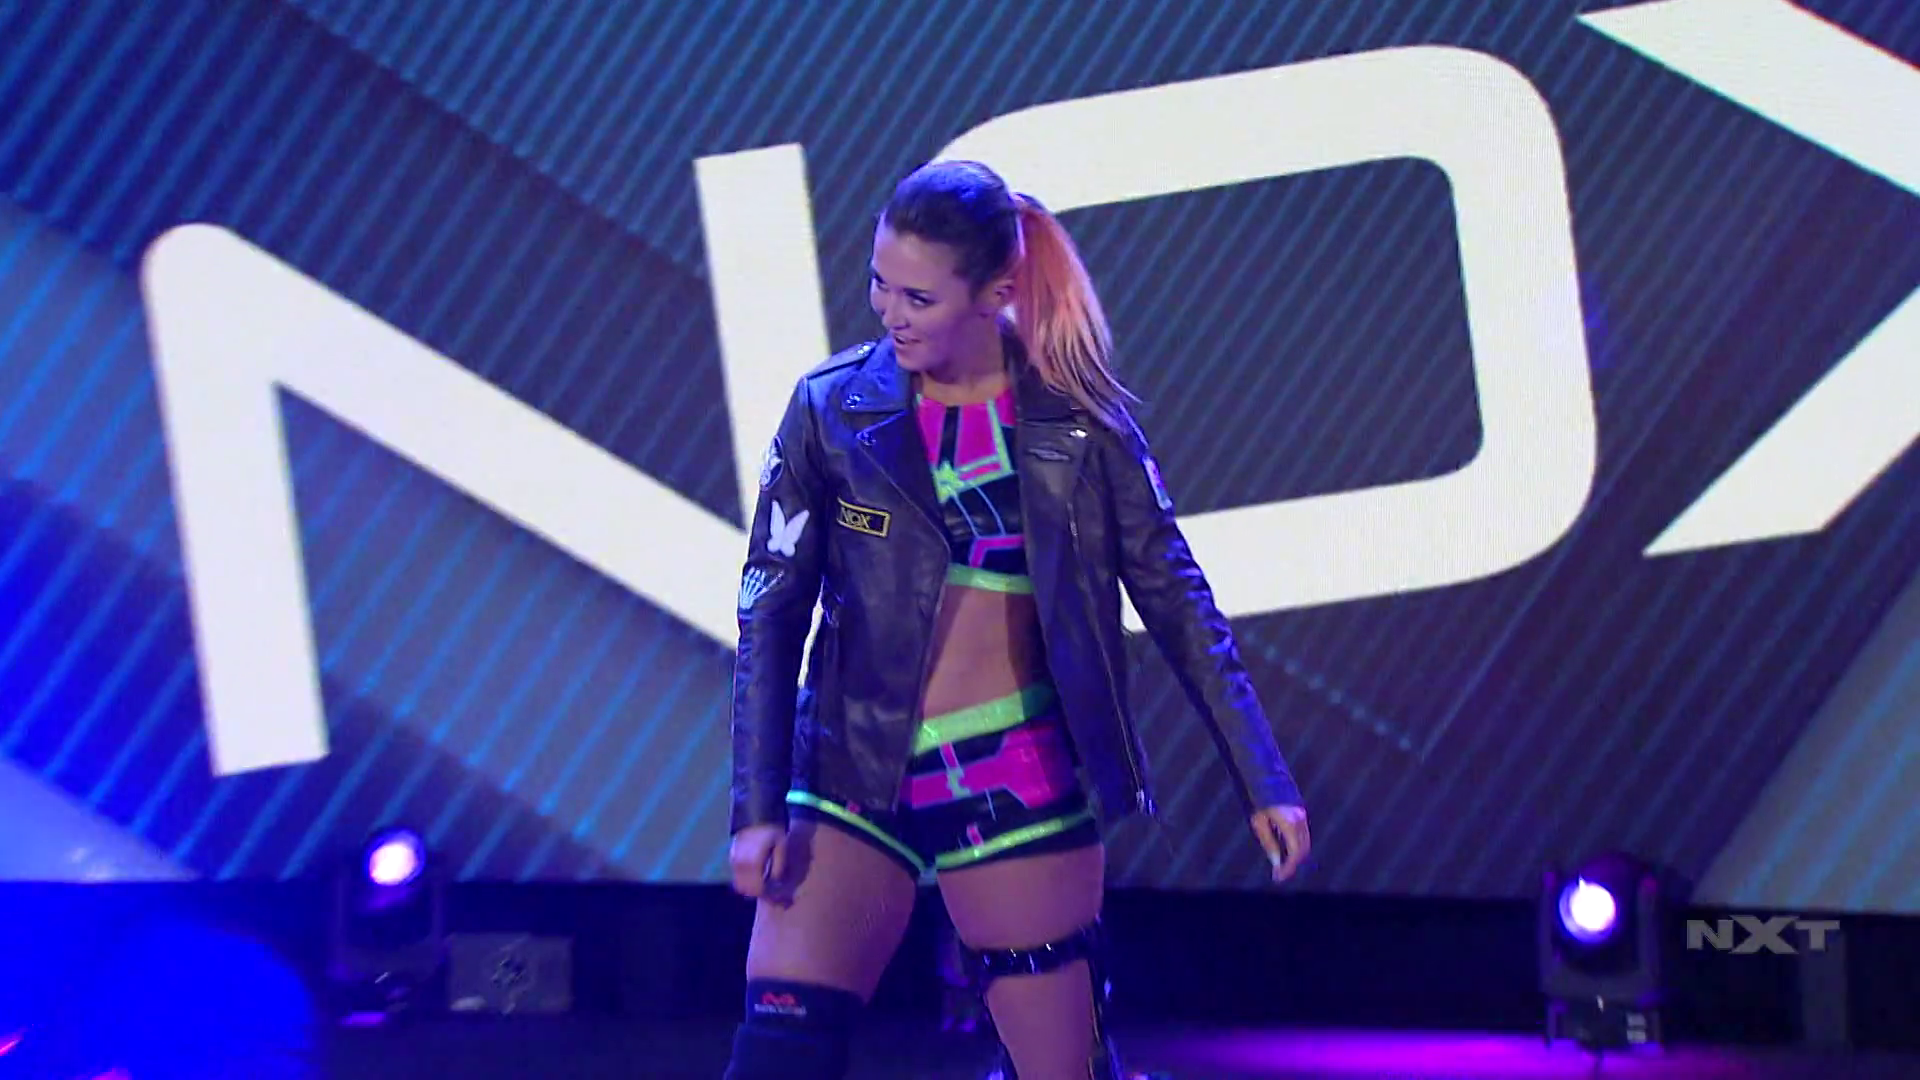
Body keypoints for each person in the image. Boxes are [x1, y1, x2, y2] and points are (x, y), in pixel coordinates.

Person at [723, 159, 1310, 1080]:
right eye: (879, 283)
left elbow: (1177, 600)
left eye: (918, 296)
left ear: (996, 292)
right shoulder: (829, 410)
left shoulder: (1081, 426)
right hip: (851, 768)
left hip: (1015, 776)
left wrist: (1261, 776)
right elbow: (770, 612)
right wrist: (757, 807)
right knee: (778, 1057)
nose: (889, 312)